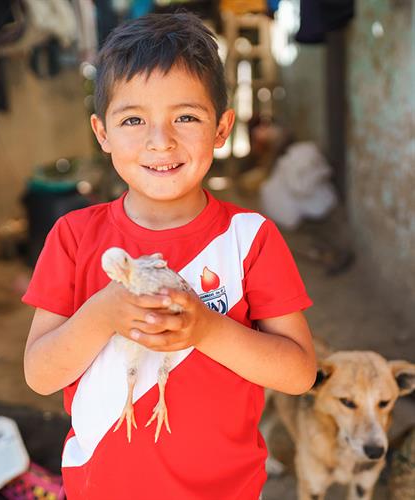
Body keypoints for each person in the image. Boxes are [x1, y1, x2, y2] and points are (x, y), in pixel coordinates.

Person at [22, 12, 316, 500]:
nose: (161, 140)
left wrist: (207, 329)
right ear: (102, 133)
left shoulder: (250, 238)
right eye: (133, 120)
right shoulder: (73, 237)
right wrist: (103, 313)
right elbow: (40, 374)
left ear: (221, 128)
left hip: (227, 490)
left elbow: (300, 372)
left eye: (186, 116)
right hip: (102, 488)